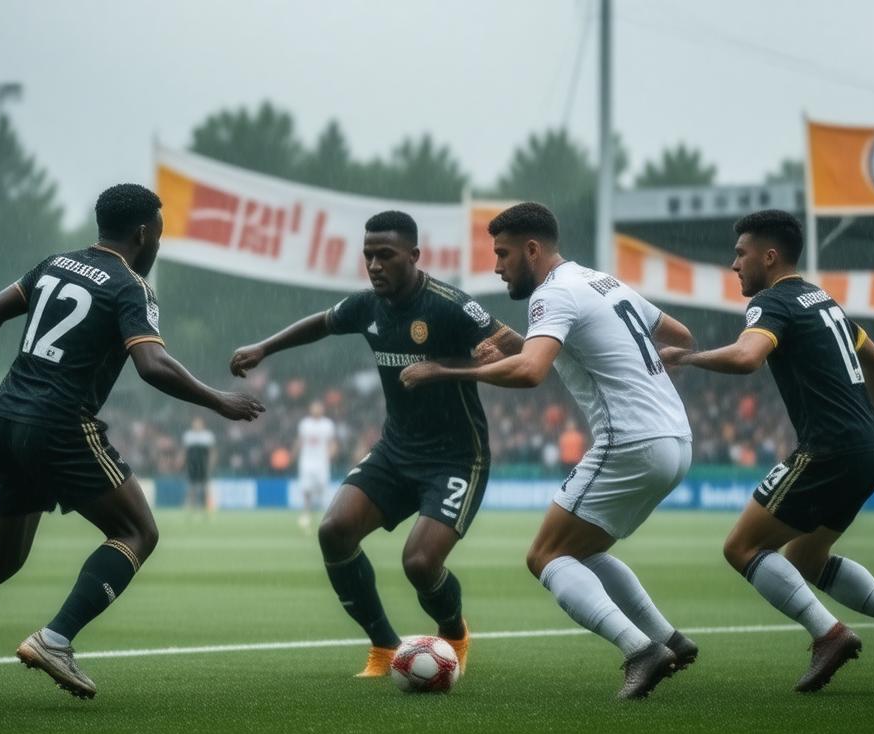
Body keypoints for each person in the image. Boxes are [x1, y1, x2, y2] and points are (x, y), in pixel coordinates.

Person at [0, 184, 264, 708]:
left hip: (5, 416)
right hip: (59, 423)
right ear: (144, 232)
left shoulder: (55, 264)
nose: (160, 241)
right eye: (160, 231)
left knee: (0, 555)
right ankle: (55, 639)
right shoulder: (131, 286)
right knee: (137, 531)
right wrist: (219, 401)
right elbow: (151, 365)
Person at [401, 202, 697, 699]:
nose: (497, 266)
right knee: (581, 550)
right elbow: (680, 338)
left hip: (629, 441)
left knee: (544, 557)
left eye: (503, 254)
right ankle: (667, 638)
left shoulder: (552, 293)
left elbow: (531, 372)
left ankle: (641, 650)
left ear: (532, 249)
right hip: (676, 440)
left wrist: (444, 371)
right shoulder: (603, 282)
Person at [660, 209, 874, 693]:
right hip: (866, 449)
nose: (734, 264)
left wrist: (686, 357)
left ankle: (829, 635)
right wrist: (870, 426)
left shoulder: (772, 302)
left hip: (830, 449)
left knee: (741, 547)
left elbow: (748, 357)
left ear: (769, 257)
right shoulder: (822, 299)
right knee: (807, 559)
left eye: (741, 253)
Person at [230, 210, 522, 677]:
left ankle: (454, 633)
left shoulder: (451, 305)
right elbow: (323, 323)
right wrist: (264, 347)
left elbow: (524, 355)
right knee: (334, 530)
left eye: (385, 255)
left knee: (420, 563)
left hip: (457, 458)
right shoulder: (368, 307)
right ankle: (385, 647)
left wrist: (450, 366)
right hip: (395, 450)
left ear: (414, 255)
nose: (374, 265)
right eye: (368, 256)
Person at [295, 401, 337, 532]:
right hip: (306, 461)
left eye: (318, 407)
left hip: (321, 462)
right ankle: (306, 513)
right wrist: (294, 454)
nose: (316, 410)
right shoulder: (305, 424)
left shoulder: (328, 424)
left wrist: (330, 455)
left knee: (323, 488)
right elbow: (300, 441)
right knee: (306, 489)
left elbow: (332, 443)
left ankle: (325, 515)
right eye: (314, 407)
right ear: (310, 409)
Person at [182, 416, 216, 520]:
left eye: (198, 423)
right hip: (192, 466)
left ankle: (206, 511)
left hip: (203, 466)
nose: (196, 425)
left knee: (205, 489)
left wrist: (210, 464)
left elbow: (212, 452)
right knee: (191, 489)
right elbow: (185, 452)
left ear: (202, 424)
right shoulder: (188, 436)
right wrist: (184, 464)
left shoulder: (207, 436)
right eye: (195, 423)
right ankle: (191, 511)